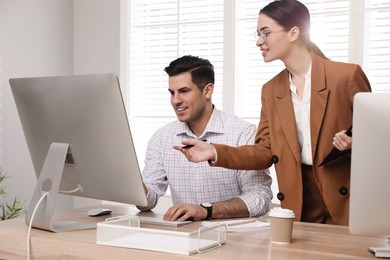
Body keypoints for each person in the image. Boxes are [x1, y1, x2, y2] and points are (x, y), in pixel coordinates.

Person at [174, 0, 371, 225]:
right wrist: (213, 151)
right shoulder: (271, 90)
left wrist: (355, 144)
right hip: (301, 200)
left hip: (348, 199)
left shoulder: (346, 77)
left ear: (294, 32)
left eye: (265, 33)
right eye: (258, 34)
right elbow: (265, 152)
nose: (259, 41)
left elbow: (379, 141)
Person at [136, 55, 272, 222]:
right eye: (172, 93)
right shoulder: (161, 138)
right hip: (184, 238)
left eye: (184, 91)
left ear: (207, 90)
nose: (175, 101)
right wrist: (130, 181)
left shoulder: (242, 133)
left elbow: (260, 198)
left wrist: (206, 210)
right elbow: (147, 202)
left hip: (234, 239)